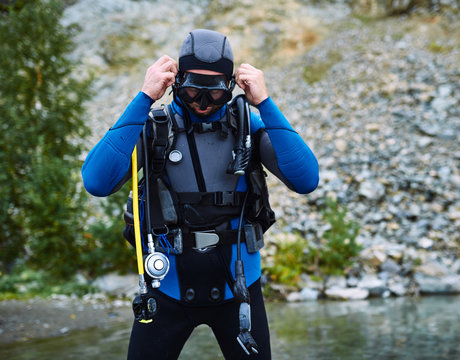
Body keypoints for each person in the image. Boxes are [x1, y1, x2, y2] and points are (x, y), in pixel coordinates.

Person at [82, 29, 318, 359]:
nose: (203, 103)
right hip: (167, 290)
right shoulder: (155, 129)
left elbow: (306, 179)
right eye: (193, 89)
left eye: (215, 92)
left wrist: (264, 103)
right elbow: (96, 182)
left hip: (240, 290)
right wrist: (144, 97)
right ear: (177, 81)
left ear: (231, 86)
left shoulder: (248, 128)